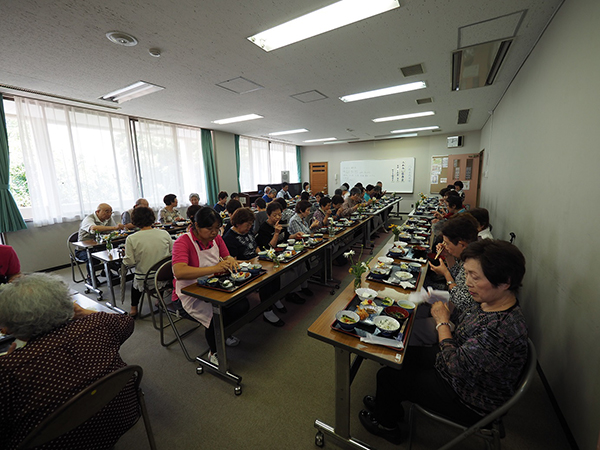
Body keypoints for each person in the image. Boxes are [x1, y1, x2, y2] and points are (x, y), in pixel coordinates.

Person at [359, 240, 528, 444]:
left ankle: (386, 425)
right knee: (399, 356)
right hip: (461, 369)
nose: (467, 283)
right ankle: (388, 406)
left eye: (474, 277)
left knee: (388, 376)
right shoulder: (489, 303)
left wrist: (442, 323)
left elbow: (455, 366)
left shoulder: (501, 330)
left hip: (468, 399)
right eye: (466, 274)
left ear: (504, 282)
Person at [0, 273, 139, 450]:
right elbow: (126, 322)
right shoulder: (100, 324)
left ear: (12, 327)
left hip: (61, 442)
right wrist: (83, 312)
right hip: (123, 413)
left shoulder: (9, 369)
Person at [172, 207, 246, 365]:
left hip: (213, 285)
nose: (214, 233)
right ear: (197, 226)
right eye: (209, 228)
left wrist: (231, 260)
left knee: (241, 305)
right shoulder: (183, 241)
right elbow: (179, 271)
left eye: (217, 228)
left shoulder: (216, 239)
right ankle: (214, 351)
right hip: (189, 291)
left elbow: (227, 257)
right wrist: (216, 268)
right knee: (216, 316)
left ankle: (223, 333)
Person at [410, 214, 479, 347]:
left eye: (447, 243)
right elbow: (456, 277)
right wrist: (448, 255)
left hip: (456, 320)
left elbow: (461, 301)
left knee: (410, 327)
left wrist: (445, 274)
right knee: (413, 309)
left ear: (462, 244)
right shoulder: (466, 255)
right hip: (451, 305)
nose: (444, 245)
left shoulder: (475, 264)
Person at [223, 208, 286, 326]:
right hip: (245, 268)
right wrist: (252, 263)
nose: (249, 228)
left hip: (256, 262)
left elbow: (255, 246)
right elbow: (234, 262)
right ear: (237, 223)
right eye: (247, 225)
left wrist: (261, 254)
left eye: (251, 225)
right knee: (266, 278)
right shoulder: (229, 238)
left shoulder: (247, 231)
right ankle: (268, 311)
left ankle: (275, 298)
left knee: (275, 270)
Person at [123, 207, 173, 317]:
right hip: (164, 276)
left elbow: (130, 262)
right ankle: (159, 300)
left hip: (145, 279)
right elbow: (172, 252)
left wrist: (124, 257)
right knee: (158, 270)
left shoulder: (132, 238)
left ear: (134, 221)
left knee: (135, 280)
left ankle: (134, 308)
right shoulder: (164, 233)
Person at [256, 202, 307, 304]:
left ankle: (303, 286)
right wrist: (276, 233)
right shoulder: (263, 228)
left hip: (285, 252)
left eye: (279, 214)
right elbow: (269, 248)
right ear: (268, 215)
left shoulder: (281, 222)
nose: (278, 217)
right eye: (274, 215)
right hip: (272, 257)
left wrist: (295, 235)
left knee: (301, 262)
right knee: (290, 269)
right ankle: (290, 293)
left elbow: (287, 236)